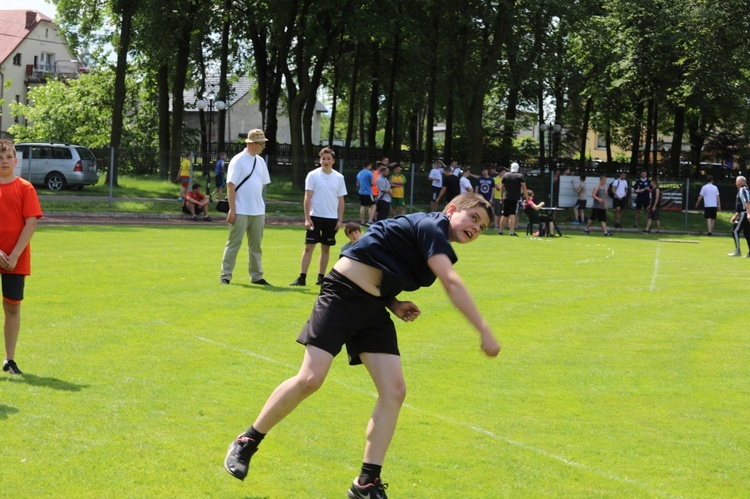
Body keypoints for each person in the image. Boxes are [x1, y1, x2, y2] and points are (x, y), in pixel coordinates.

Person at [222, 193, 501, 498]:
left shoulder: (429, 236)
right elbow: (450, 281)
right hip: (342, 296)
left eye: (483, 227)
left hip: (373, 307)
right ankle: (247, 441)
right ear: (450, 210)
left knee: (394, 390)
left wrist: (393, 302)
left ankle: (366, 482)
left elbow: (372, 252)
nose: (476, 228)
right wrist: (483, 330)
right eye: (473, 218)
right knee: (311, 379)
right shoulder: (432, 227)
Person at [0, 139, 43, 375]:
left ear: (16, 161)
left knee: (12, 308)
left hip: (15, 259)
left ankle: (9, 360)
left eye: (8, 157)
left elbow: (31, 223)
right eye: (0, 158)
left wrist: (14, 255)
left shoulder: (25, 188)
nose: (4, 162)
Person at [220, 129, 272, 286]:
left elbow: (262, 183)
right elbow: (230, 185)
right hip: (240, 210)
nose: (264, 146)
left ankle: (256, 275)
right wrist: (233, 209)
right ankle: (226, 275)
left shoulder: (260, 161)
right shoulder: (238, 160)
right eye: (261, 143)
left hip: (257, 211)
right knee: (234, 243)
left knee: (256, 246)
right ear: (253, 144)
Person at [290, 147, 347, 287]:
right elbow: (307, 197)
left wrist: (339, 220)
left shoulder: (339, 177)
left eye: (328, 159)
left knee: (326, 248)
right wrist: (307, 218)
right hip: (314, 216)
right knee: (309, 246)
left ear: (333, 161)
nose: (325, 161)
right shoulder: (312, 175)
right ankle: (302, 277)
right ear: (319, 160)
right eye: (323, 159)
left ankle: (321, 278)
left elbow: (341, 200)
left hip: (331, 218)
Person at [498, 162, 528, 237]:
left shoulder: (505, 175)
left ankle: (501, 231)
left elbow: (502, 187)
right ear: (518, 168)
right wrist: (527, 198)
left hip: (506, 197)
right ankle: (511, 232)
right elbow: (524, 188)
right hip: (515, 198)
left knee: (504, 214)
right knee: (512, 214)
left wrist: (501, 197)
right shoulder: (520, 176)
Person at [728, 176, 750, 257]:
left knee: (735, 231)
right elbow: (741, 206)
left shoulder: (743, 189)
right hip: (744, 213)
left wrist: (748, 213)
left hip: (745, 214)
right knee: (747, 233)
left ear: (740, 182)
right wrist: (735, 215)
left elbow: (747, 202)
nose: (735, 183)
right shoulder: (744, 189)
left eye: (736, 181)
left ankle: (737, 251)